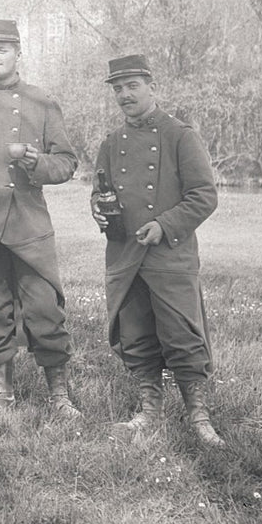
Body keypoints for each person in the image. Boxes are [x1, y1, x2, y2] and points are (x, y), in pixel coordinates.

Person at [0, 18, 83, 423]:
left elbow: (67, 163)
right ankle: (1, 396)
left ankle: (60, 395)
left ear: (18, 52)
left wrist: (36, 162)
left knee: (44, 310)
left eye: (1, 49)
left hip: (28, 227)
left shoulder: (42, 103)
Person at [91, 54, 224, 447]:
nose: (124, 95)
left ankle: (199, 417)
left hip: (171, 256)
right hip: (124, 256)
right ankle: (149, 411)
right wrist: (100, 213)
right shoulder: (111, 143)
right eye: (118, 89)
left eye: (132, 86)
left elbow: (204, 196)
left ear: (152, 87)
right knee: (135, 336)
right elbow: (100, 195)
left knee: (183, 335)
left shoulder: (180, 135)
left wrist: (164, 225)